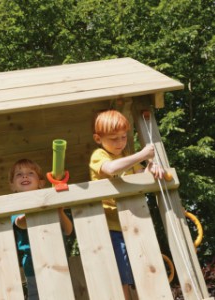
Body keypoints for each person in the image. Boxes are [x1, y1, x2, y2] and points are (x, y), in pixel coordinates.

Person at [89, 109, 164, 300]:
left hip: (133, 224)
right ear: (98, 139)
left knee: (142, 270)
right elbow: (112, 169)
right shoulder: (99, 155)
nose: (120, 142)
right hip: (112, 227)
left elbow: (139, 175)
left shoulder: (125, 156)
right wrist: (141, 155)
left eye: (123, 137)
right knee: (121, 276)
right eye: (113, 138)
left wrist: (150, 168)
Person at [9, 158, 73, 300]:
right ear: (12, 186)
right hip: (33, 266)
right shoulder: (16, 206)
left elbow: (67, 230)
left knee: (63, 294)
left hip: (58, 260)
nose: (24, 176)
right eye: (19, 174)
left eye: (30, 173)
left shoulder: (49, 203)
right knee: (37, 295)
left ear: (41, 183)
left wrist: (59, 211)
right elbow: (21, 223)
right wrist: (39, 208)